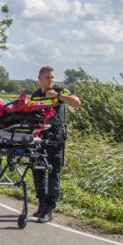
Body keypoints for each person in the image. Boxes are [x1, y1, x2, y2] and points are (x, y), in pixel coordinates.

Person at [30, 66, 81, 223]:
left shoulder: (59, 91)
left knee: (54, 174)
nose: (50, 80)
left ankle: (49, 209)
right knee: (38, 172)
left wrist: (58, 96)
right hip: (39, 140)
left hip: (55, 140)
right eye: (47, 77)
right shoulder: (36, 96)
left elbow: (76, 102)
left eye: (52, 77)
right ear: (39, 78)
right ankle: (41, 205)